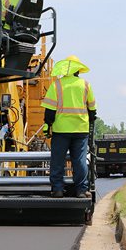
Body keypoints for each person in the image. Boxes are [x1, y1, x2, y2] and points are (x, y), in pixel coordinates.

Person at [41, 55, 97, 198]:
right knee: (79, 161)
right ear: (78, 70)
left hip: (61, 130)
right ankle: (81, 190)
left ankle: (58, 189)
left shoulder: (57, 85)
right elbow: (92, 110)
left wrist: (48, 125)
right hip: (80, 130)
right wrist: (89, 122)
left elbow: (50, 111)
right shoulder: (85, 85)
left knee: (58, 160)